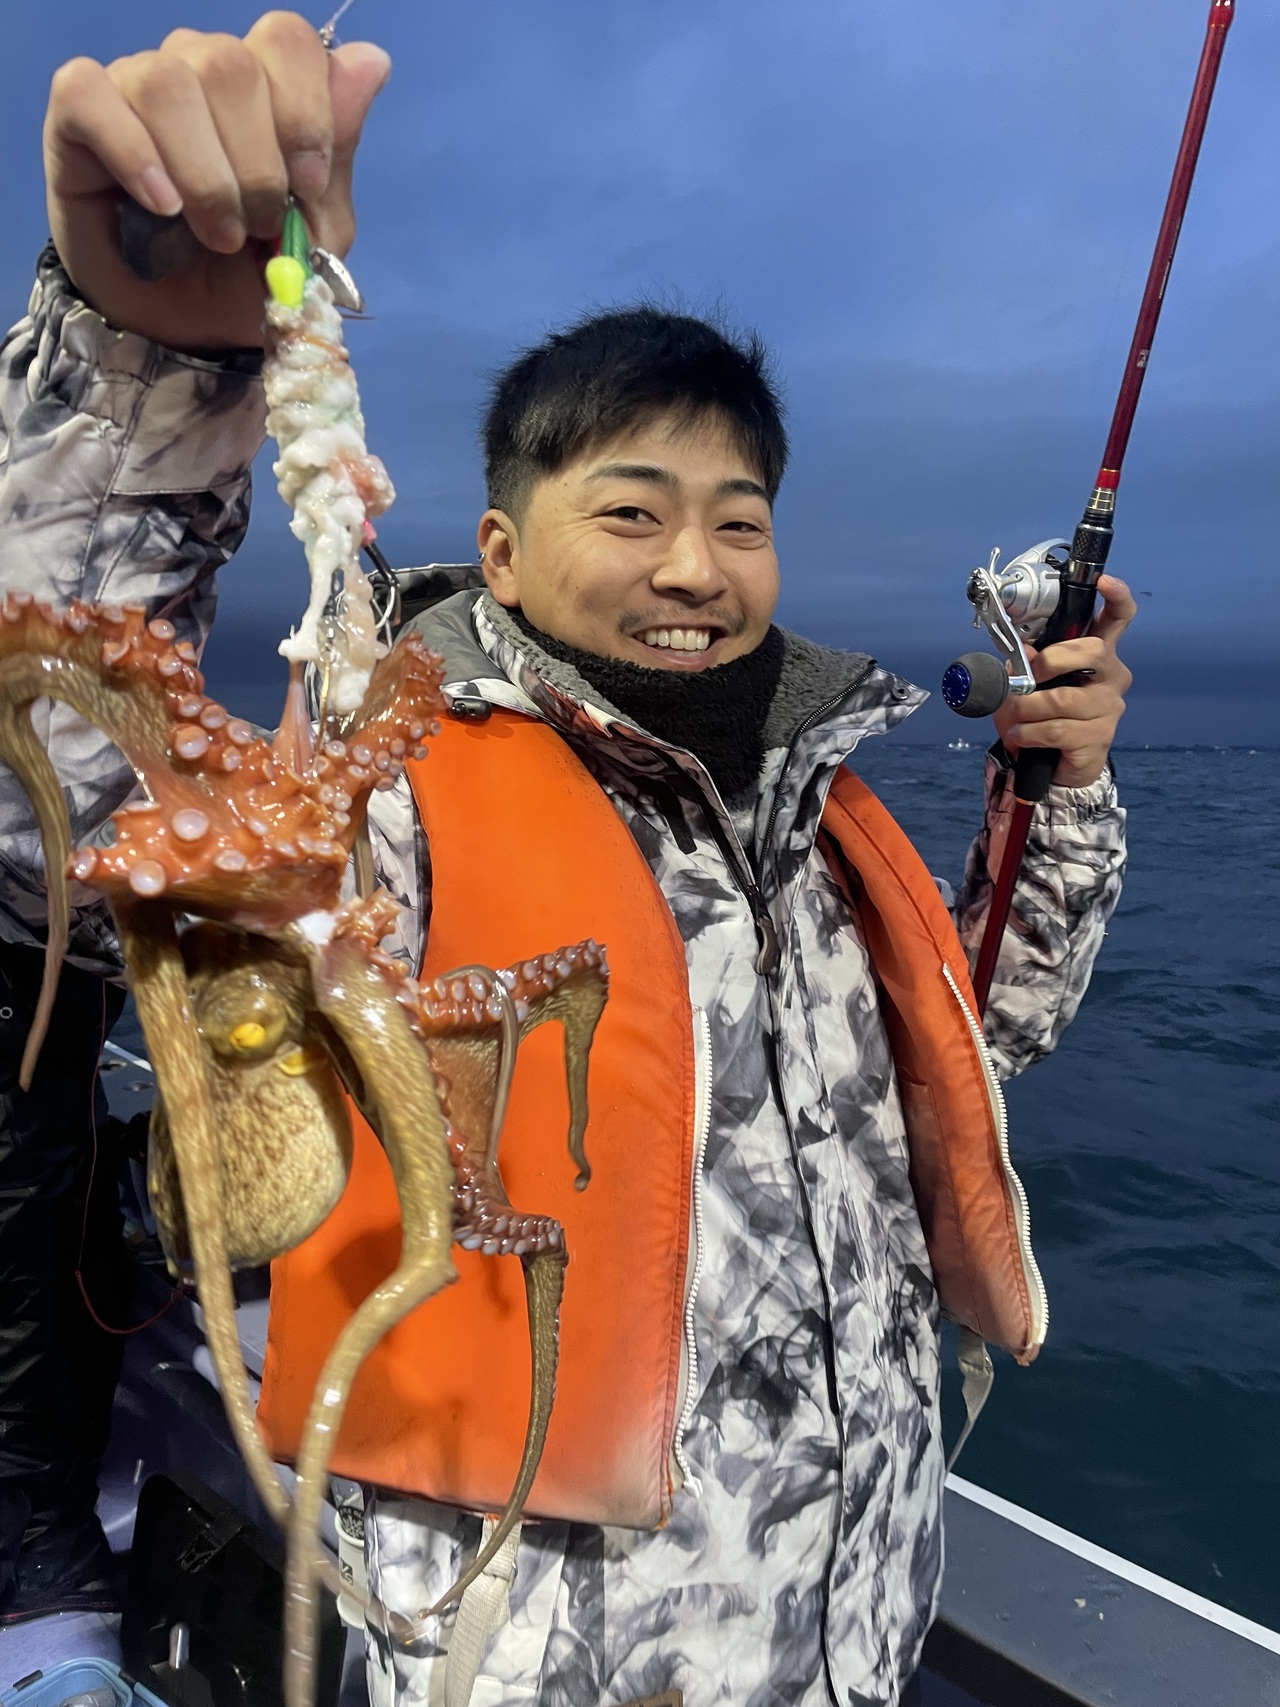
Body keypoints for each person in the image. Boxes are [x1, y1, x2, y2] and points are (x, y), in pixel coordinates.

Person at [2, 14, 1133, 1702]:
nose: (695, 565)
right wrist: (150, 364)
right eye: (630, 510)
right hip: (535, 1654)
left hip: (850, 1622)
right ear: (503, 555)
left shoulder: (820, 814)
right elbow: (61, 834)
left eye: (740, 520)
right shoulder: (390, 797)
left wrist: (1069, 786)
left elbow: (992, 1031)